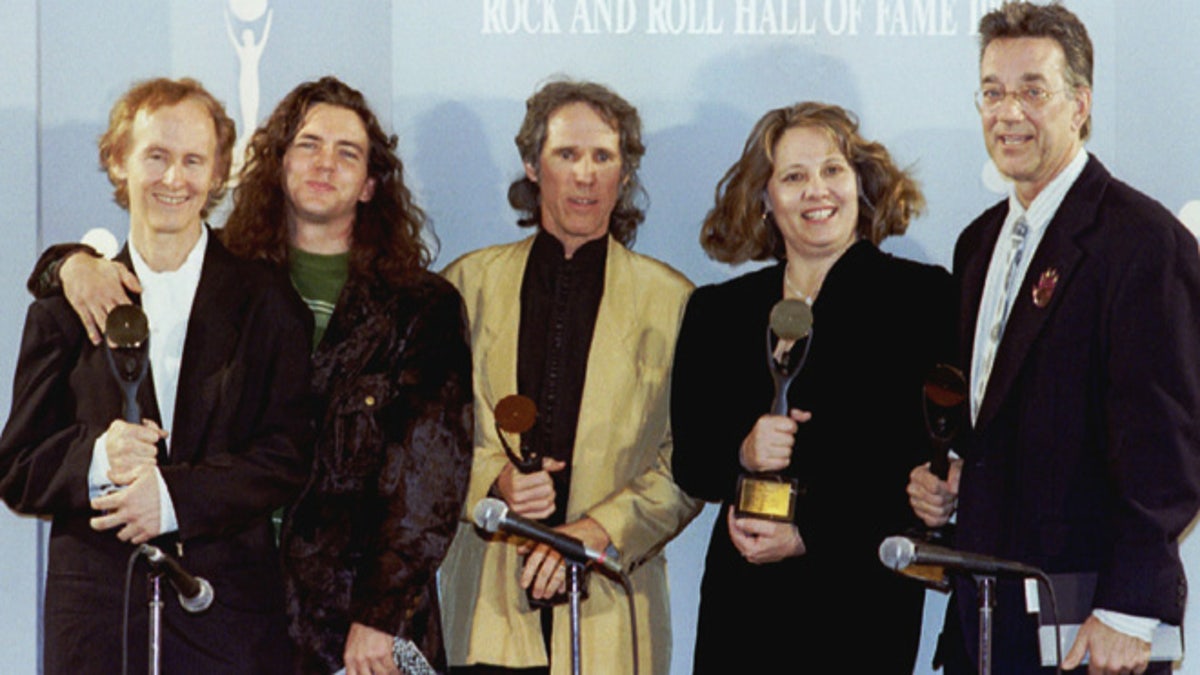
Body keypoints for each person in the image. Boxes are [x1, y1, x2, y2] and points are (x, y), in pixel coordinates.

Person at [26, 76, 474, 675]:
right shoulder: (234, 274)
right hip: (241, 609)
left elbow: (430, 482)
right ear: (276, 164)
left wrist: (381, 615)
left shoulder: (420, 305)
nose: (325, 164)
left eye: (348, 152)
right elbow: (153, 251)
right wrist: (68, 265)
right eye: (308, 145)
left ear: (371, 183)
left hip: (356, 621)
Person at [906, 3, 1200, 673]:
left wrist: (1131, 609)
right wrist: (955, 485)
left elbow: (1167, 443)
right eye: (992, 92)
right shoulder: (978, 243)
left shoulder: (1143, 242)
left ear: (1081, 104)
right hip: (986, 615)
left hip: (1094, 625)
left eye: (1033, 90)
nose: (1009, 112)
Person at [0, 77, 312, 674]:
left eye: (194, 160)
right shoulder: (65, 305)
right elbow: (18, 467)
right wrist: (97, 458)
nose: (175, 179)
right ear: (118, 162)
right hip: (96, 624)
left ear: (219, 173)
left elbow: (288, 454)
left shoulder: (267, 301)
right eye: (157, 157)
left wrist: (173, 498)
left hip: (228, 623)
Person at [670, 102, 955, 673]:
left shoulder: (923, 300)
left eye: (832, 171)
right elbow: (692, 463)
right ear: (764, 198)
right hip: (740, 607)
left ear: (861, 185)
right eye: (794, 177)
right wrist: (742, 451)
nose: (816, 191)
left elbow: (924, 474)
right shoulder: (717, 311)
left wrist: (810, 535)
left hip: (859, 604)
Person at [438, 79, 699, 675]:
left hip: (613, 608)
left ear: (625, 174)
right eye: (567, 155)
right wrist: (494, 481)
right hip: (487, 612)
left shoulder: (675, 301)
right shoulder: (464, 287)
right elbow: (426, 445)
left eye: (604, 157)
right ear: (533, 165)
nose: (586, 175)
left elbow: (689, 464)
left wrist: (598, 530)